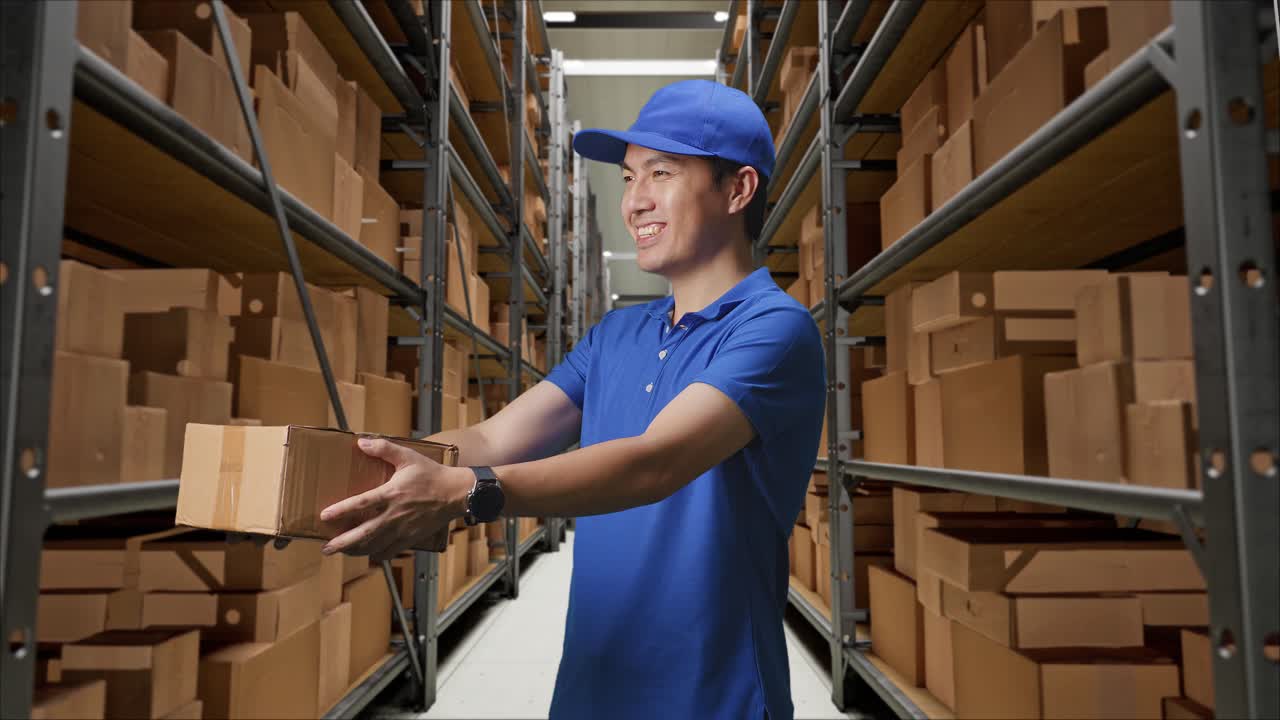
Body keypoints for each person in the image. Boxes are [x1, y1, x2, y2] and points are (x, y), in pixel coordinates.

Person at [321, 79, 826, 720]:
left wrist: (467, 493)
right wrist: (344, 484)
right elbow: (493, 439)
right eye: (628, 178)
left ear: (738, 189)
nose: (635, 202)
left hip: (714, 697)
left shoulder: (775, 330)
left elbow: (656, 462)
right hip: (592, 686)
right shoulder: (617, 335)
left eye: (661, 173)